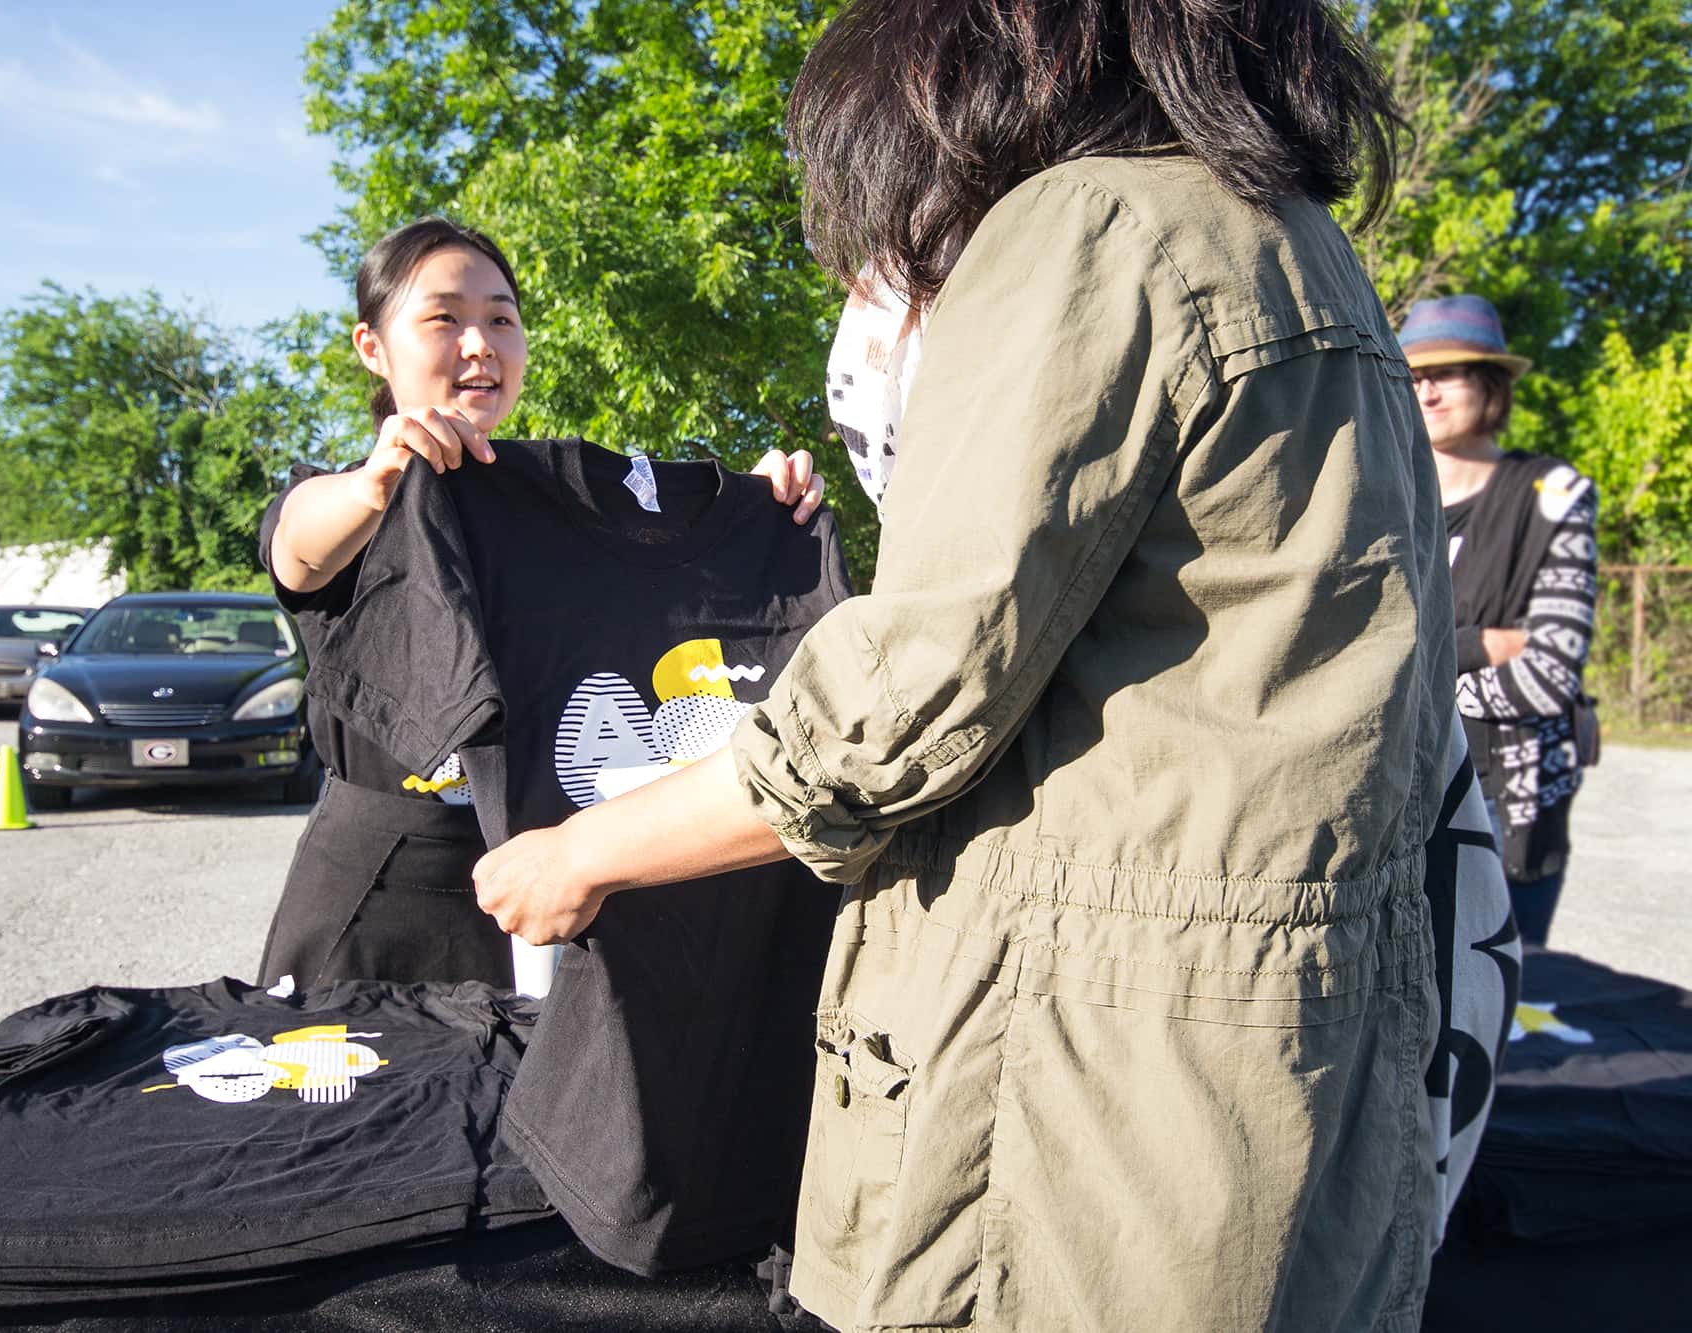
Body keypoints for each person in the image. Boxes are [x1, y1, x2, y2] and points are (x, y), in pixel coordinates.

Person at [474, 3, 1461, 1329]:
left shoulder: (1092, 227)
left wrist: (582, 851)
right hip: (1280, 1068)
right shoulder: (1300, 248)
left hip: (1090, 1110)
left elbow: (900, 701)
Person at [256, 215, 825, 991]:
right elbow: (298, 546)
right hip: (380, 914)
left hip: (541, 902)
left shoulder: (552, 521)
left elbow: (658, 596)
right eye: (444, 318)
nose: (479, 343)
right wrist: (379, 479)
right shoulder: (352, 499)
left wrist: (757, 522)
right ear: (372, 347)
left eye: (500, 319)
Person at [1401, 294, 1598, 945]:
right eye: (1414, 375)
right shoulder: (1378, 498)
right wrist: (1482, 643)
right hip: (1396, 795)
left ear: (1490, 383)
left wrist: (1416, 676)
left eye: (1448, 372)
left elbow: (1547, 680)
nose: (1427, 391)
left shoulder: (1553, 496)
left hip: (1509, 800)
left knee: (1507, 1014)